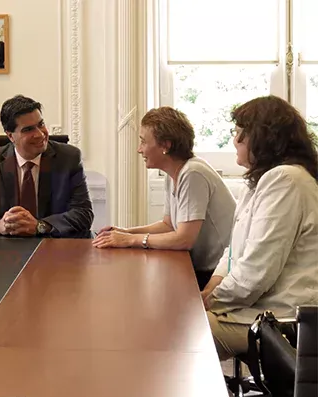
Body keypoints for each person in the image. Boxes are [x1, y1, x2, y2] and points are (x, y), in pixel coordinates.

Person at [202, 95, 318, 361]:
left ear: (263, 137)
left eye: (240, 132)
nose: (235, 140)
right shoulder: (259, 181)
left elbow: (257, 271)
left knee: (183, 330)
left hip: (284, 319)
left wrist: (210, 300)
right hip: (259, 308)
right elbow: (234, 252)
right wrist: (211, 288)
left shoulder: (286, 180)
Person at [93, 107, 235, 290]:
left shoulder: (193, 173)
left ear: (165, 146)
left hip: (215, 274)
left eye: (143, 142)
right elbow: (168, 225)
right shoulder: (174, 172)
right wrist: (126, 232)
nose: (139, 149)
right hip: (198, 268)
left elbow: (184, 239)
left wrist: (130, 240)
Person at [0, 95, 93, 237]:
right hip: (2, 250)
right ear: (11, 136)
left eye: (41, 124)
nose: (40, 134)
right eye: (28, 129)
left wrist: (39, 226)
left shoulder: (68, 158)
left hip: (53, 248)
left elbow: (83, 213)